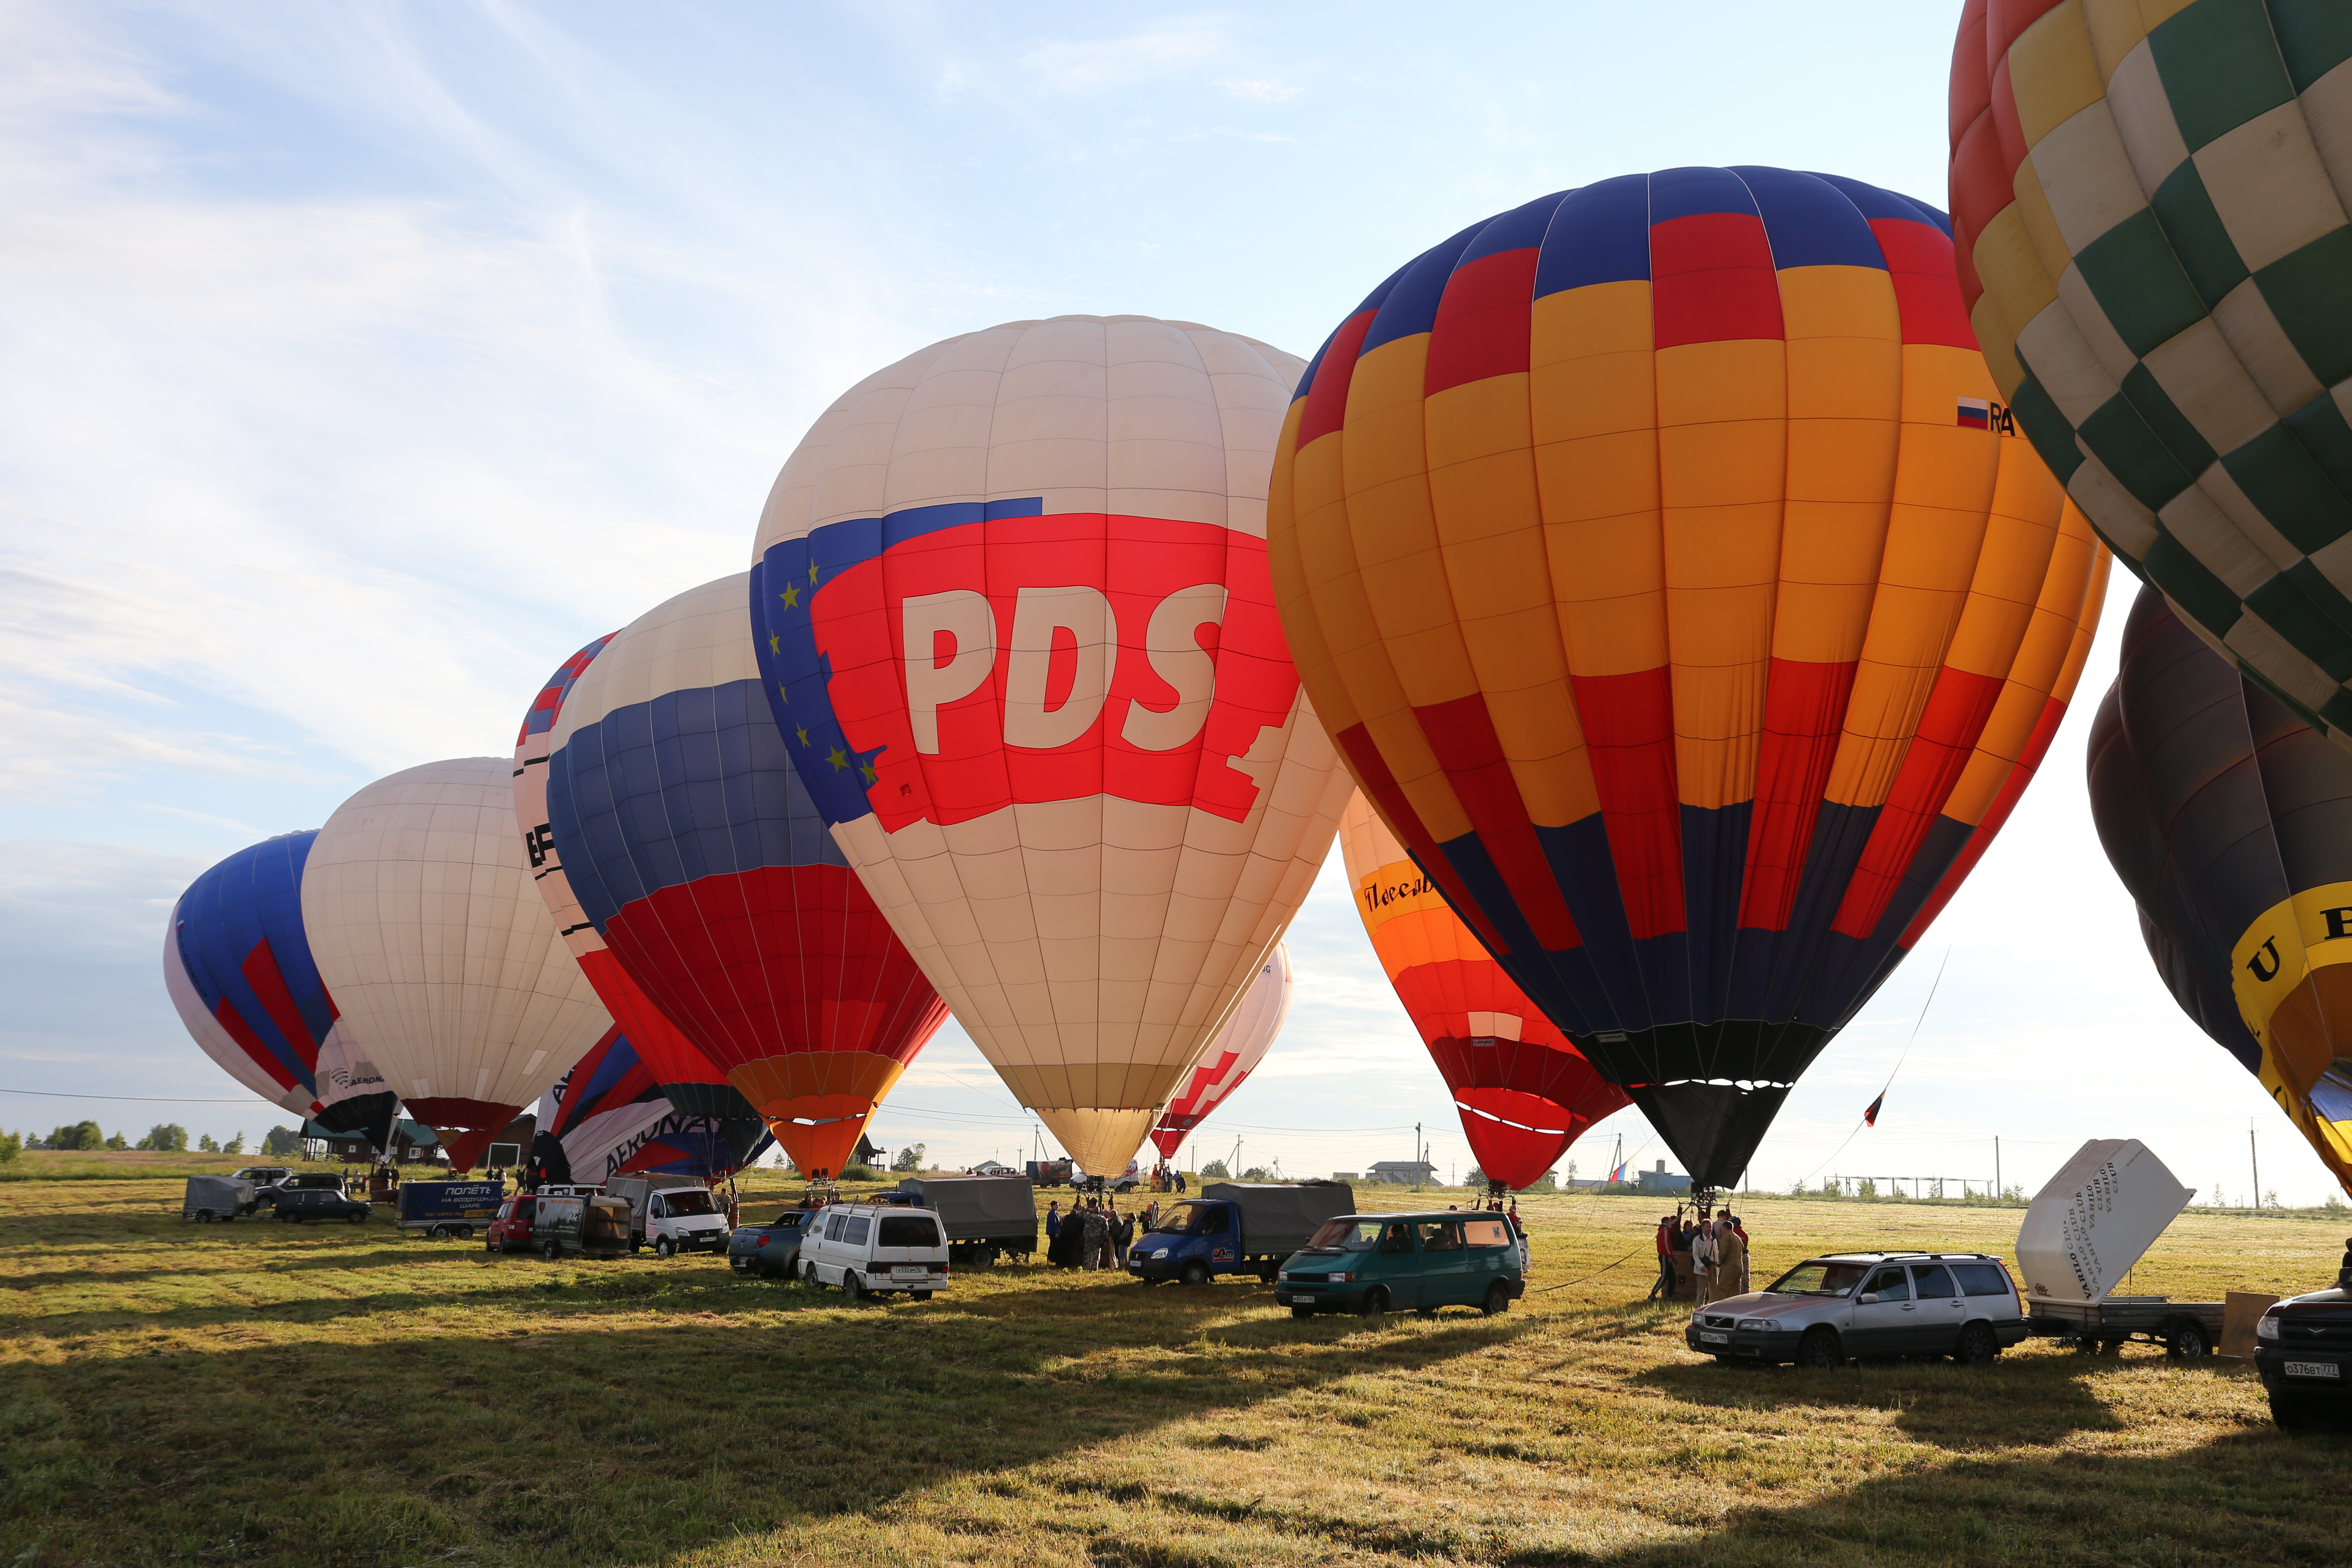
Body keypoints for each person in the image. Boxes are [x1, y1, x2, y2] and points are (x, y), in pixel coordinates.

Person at [1715, 1215, 1747, 1299]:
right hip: (1740, 1267)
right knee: (1735, 1291)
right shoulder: (1738, 1238)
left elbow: (1723, 1252)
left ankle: (1721, 1308)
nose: (1722, 1231)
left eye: (1722, 1229)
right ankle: (1734, 1309)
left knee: (1722, 1288)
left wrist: (1719, 1262)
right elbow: (1743, 1249)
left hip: (1731, 1266)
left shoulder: (1727, 1237)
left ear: (1725, 1228)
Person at [1647, 1215, 1677, 1302]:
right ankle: (1653, 1294)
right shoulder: (1665, 1230)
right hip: (1665, 1256)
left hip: (1665, 1255)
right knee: (1664, 1276)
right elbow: (1666, 1244)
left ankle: (1670, 1296)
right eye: (1670, 1222)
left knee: (1673, 1277)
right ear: (1667, 1222)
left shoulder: (1664, 1230)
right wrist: (1669, 1256)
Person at [1690, 1216, 1717, 1305]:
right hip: (1703, 1267)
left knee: (1714, 1291)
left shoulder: (1714, 1240)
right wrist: (1701, 1266)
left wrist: (1718, 1265)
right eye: (1707, 1227)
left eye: (1711, 1227)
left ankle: (1712, 1310)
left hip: (1713, 1267)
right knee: (1701, 1292)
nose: (1709, 1229)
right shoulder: (1697, 1240)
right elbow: (1695, 1255)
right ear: (1702, 1228)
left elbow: (1716, 1254)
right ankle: (1699, 1309)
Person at [1081, 1202, 1109, 1271]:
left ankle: (1086, 1267)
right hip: (1098, 1239)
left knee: (1087, 1253)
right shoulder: (1103, 1219)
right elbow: (1106, 1230)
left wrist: (1088, 1209)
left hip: (1089, 1238)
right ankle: (1094, 1268)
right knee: (1096, 1254)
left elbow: (1081, 1213)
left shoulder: (1088, 1217)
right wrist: (1105, 1240)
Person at [1112, 1204, 1135, 1268]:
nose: (1126, 1215)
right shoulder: (1129, 1223)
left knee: (1122, 1255)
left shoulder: (1129, 1223)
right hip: (1125, 1241)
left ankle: (1121, 1267)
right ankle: (1126, 1267)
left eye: (1128, 1214)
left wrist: (1120, 1238)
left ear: (1130, 1217)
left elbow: (1126, 1233)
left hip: (1124, 1241)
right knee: (1124, 1255)